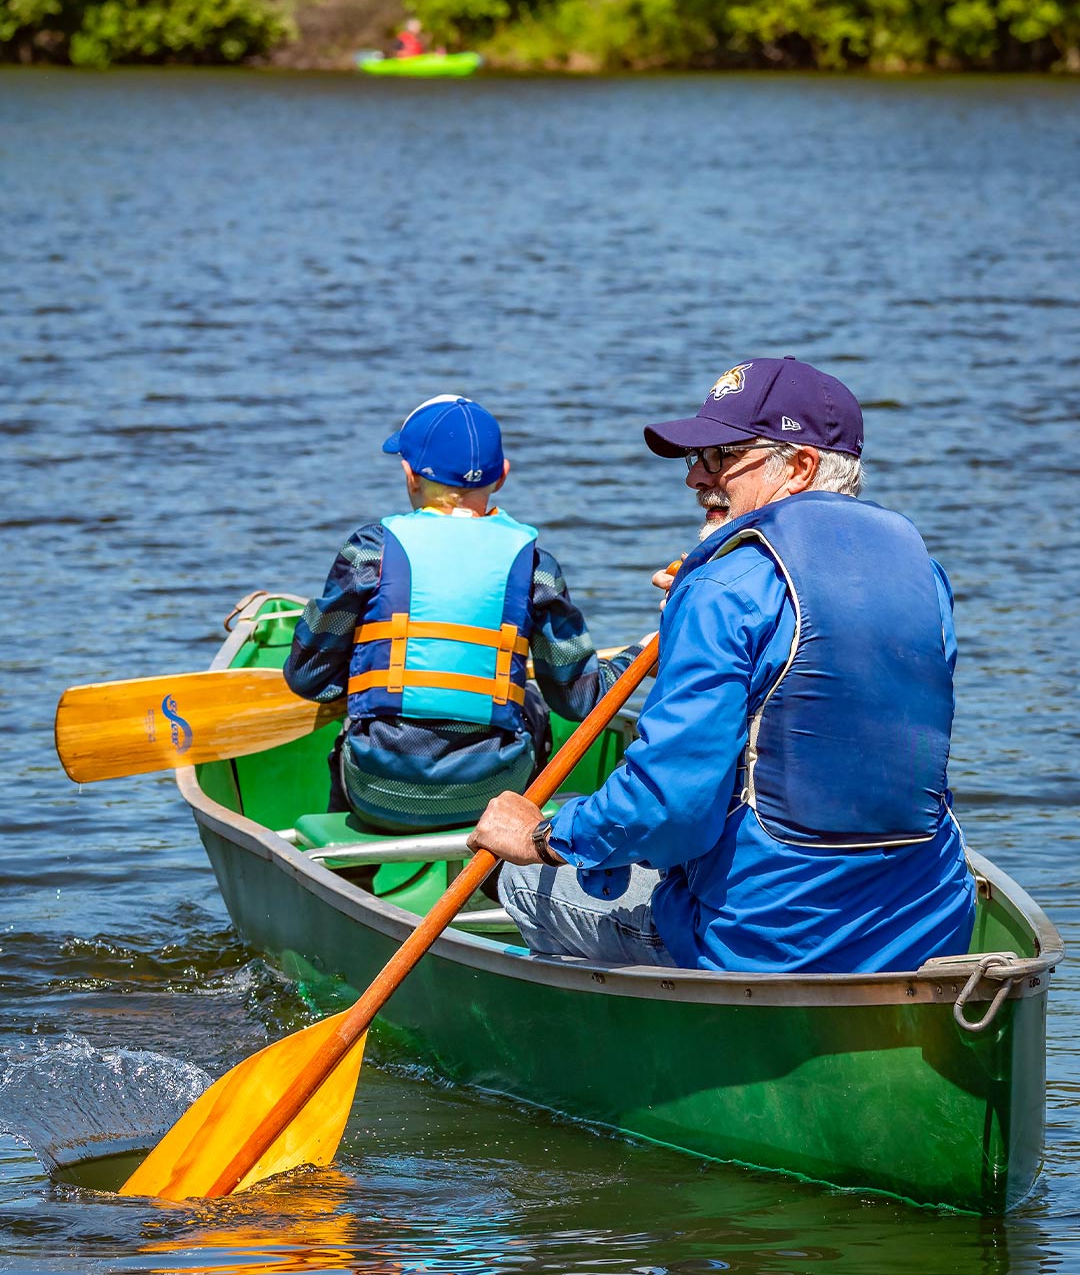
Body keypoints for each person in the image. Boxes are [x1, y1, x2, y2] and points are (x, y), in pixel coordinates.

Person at [468, 357, 976, 974]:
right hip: (932, 927)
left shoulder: (725, 586)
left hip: (768, 943)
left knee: (522, 879)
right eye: (696, 459)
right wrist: (702, 595)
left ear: (802, 466)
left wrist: (546, 837)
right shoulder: (923, 574)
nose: (696, 480)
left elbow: (667, 809)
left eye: (721, 457)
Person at [283, 395, 645, 833]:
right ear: (503, 476)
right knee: (531, 703)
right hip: (492, 790)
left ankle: (353, 877)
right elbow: (579, 699)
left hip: (378, 791)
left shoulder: (370, 551)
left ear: (409, 474)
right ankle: (500, 877)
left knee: (358, 722)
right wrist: (637, 656)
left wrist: (366, 675)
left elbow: (308, 677)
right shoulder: (534, 566)